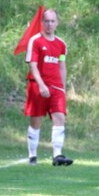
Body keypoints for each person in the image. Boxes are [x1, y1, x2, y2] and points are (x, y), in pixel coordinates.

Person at [24, 9, 72, 166]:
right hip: (38, 86)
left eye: (52, 21)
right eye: (46, 21)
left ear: (57, 23)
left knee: (60, 117)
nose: (49, 24)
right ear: (42, 23)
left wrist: (62, 87)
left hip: (56, 87)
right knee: (36, 121)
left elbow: (62, 65)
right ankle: (32, 155)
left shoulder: (61, 44)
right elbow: (33, 65)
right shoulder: (35, 41)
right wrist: (41, 85)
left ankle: (57, 155)